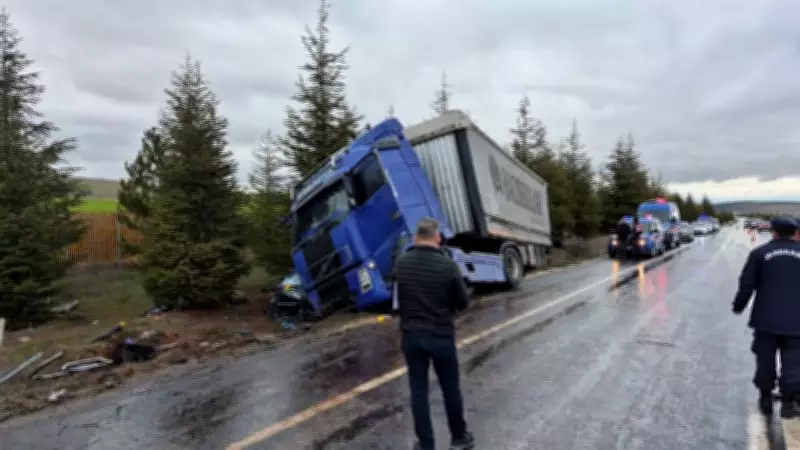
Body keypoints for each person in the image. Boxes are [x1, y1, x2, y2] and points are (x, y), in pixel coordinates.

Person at [393, 217, 475, 450]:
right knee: (450, 388)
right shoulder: (447, 265)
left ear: (415, 238)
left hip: (411, 337)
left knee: (418, 391)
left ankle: (426, 444)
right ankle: (459, 438)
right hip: (440, 335)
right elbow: (462, 304)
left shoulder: (402, 263)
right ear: (437, 237)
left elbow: (400, 298)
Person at [733, 216, 800, 418]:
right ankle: (789, 403)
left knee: (765, 360)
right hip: (796, 321)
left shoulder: (760, 253)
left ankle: (765, 398)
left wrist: (738, 306)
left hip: (766, 320)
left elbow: (746, 285)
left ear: (774, 231)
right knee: (794, 362)